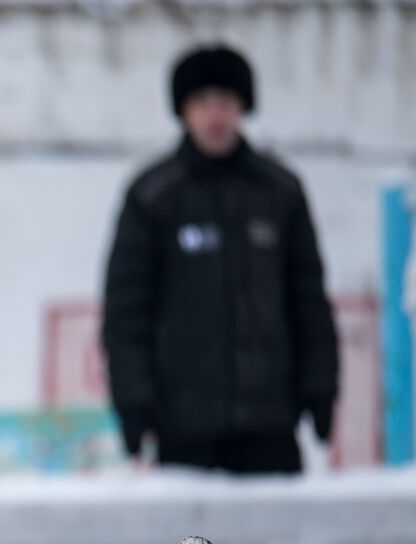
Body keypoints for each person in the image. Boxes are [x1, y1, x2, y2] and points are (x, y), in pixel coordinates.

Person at [102, 43, 338, 475]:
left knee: (270, 540)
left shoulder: (280, 192)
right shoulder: (153, 196)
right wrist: (133, 404)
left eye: (225, 103)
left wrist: (321, 388)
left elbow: (309, 300)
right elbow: (125, 311)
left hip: (270, 427)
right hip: (184, 433)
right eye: (202, 103)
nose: (215, 117)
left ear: (243, 108)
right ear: (183, 111)